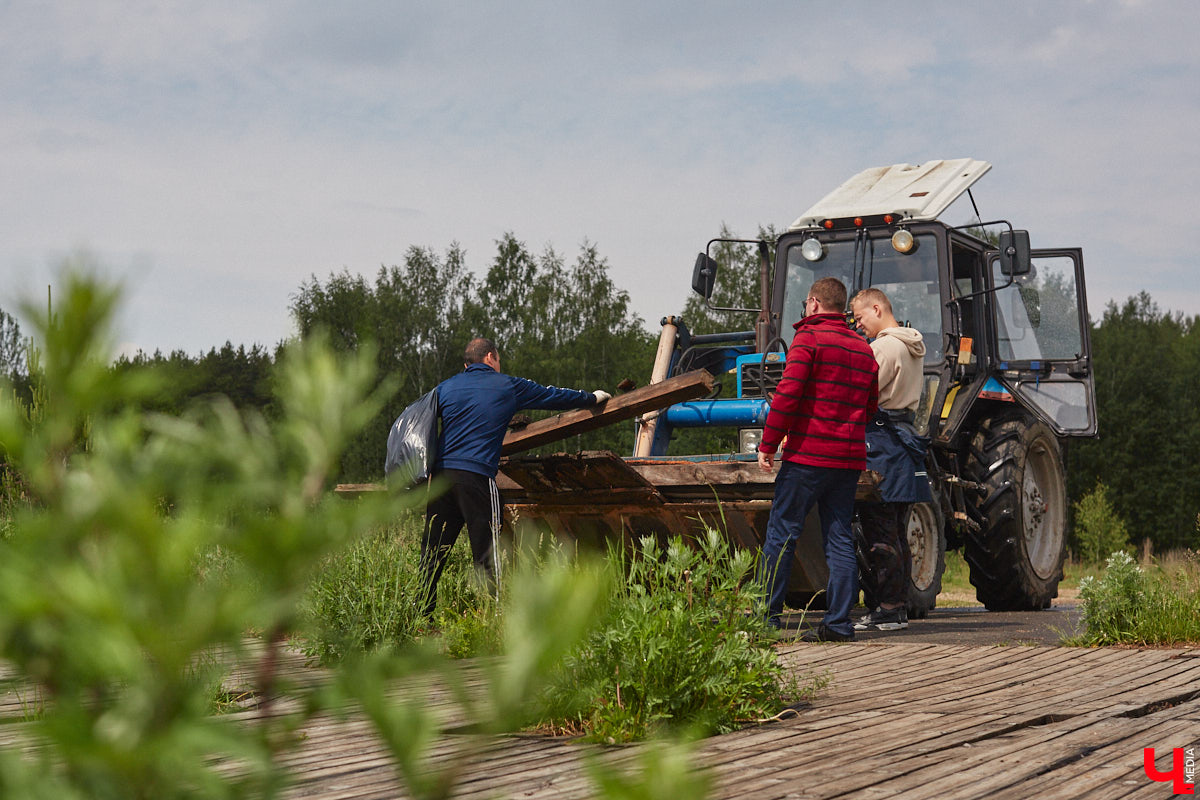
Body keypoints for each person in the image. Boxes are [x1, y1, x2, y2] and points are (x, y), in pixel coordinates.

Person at [420, 337, 610, 617]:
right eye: (498, 359)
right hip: (476, 475)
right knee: (487, 549)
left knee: (433, 550)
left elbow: (420, 422)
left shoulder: (444, 388)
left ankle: (421, 614)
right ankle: (490, 615)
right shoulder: (508, 385)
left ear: (466, 364)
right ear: (490, 357)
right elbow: (553, 395)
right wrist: (591, 398)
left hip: (440, 478)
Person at [756, 277, 879, 642]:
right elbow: (871, 407)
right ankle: (838, 624)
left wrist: (769, 443)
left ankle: (765, 621)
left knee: (781, 534)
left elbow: (787, 395)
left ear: (813, 303)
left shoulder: (808, 339)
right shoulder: (863, 348)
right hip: (848, 460)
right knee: (839, 538)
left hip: (808, 457)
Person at [849, 288, 933, 632]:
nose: (858, 325)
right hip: (902, 440)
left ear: (877, 308)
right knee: (897, 530)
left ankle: (888, 609)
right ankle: (896, 607)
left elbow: (859, 391)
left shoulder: (884, 348)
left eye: (860, 317)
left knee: (880, 531)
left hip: (881, 442)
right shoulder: (911, 344)